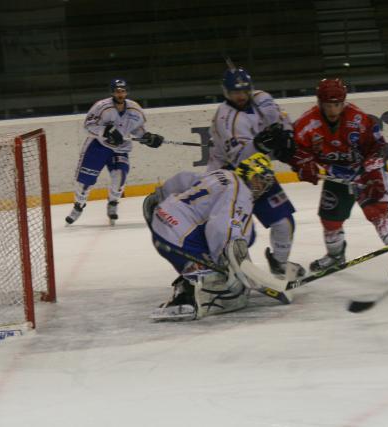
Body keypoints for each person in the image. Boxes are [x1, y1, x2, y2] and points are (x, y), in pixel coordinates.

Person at [290, 78, 388, 276]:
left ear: (343, 102)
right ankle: (335, 256)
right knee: (330, 219)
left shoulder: (357, 119)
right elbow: (296, 149)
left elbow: (378, 147)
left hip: (364, 171)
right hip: (336, 175)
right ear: (320, 102)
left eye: (337, 104)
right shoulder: (307, 123)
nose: (333, 110)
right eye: (328, 105)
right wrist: (304, 165)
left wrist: (373, 175)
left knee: (377, 213)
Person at [144, 153, 276, 321]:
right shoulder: (241, 192)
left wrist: (161, 194)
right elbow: (221, 227)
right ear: (248, 173)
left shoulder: (222, 174)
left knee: (214, 262)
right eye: (259, 179)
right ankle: (192, 298)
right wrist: (224, 263)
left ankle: (188, 284)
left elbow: (183, 179)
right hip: (182, 236)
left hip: (162, 224)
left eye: (265, 183)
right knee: (235, 290)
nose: (262, 186)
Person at [207, 64, 304, 279]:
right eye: (235, 92)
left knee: (284, 222)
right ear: (226, 93)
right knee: (235, 232)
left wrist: (286, 136)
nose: (241, 96)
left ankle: (279, 263)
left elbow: (281, 120)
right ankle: (227, 272)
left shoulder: (262, 98)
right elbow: (240, 158)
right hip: (230, 176)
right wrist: (261, 145)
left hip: (258, 171)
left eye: (244, 91)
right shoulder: (226, 119)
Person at [66, 78, 165, 225]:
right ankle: (78, 206)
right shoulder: (101, 107)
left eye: (123, 91)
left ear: (126, 92)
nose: (120, 94)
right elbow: (88, 124)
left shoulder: (135, 109)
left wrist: (147, 137)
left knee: (119, 176)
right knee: (85, 182)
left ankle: (112, 204)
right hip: (98, 146)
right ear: (112, 92)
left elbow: (137, 129)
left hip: (120, 148)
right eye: (117, 91)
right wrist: (105, 130)